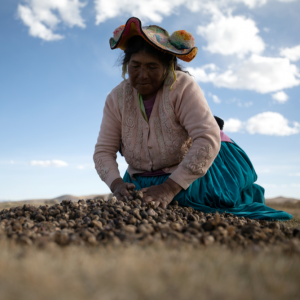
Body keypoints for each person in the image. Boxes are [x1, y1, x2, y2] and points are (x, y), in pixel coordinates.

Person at [93, 17, 292, 221]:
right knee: (141, 203)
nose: (142, 75)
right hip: (143, 175)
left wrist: (169, 188)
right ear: (127, 65)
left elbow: (207, 138)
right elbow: (103, 150)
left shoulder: (182, 87)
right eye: (135, 66)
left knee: (199, 200)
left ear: (168, 67)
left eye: (152, 67)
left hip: (203, 162)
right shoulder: (116, 98)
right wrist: (117, 185)